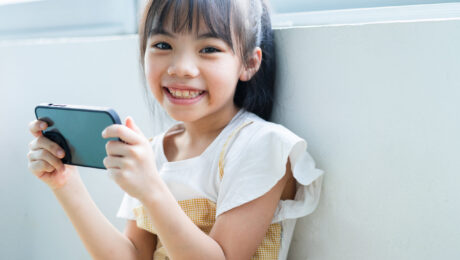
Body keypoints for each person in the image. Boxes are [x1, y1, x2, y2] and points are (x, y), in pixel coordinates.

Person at [26, 0, 324, 259]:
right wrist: (65, 184)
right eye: (163, 45)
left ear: (248, 63)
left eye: (208, 49)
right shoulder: (152, 152)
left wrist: (151, 187)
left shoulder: (260, 145)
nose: (181, 68)